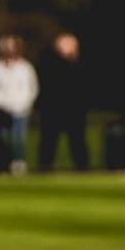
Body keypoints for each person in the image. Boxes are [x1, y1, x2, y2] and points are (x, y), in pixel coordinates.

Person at [0, 34, 38, 174]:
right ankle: (2, 163)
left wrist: (23, 103)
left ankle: (19, 164)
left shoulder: (25, 67)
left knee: (19, 138)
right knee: (1, 138)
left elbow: (32, 88)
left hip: (20, 110)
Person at [35, 32, 89, 171]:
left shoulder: (80, 65)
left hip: (75, 111)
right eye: (66, 44)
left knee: (78, 141)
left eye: (72, 44)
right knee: (48, 142)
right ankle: (44, 170)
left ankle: (82, 170)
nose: (69, 48)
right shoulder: (49, 63)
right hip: (52, 110)